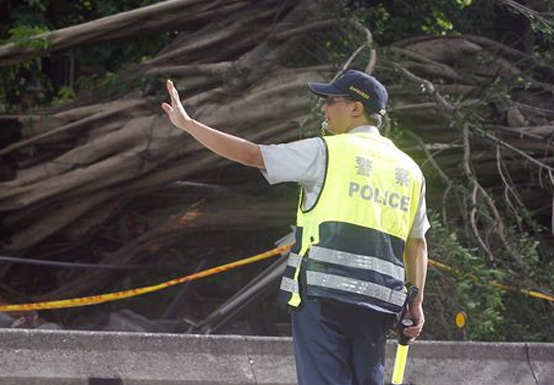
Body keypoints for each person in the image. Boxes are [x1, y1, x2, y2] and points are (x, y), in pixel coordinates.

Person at [161, 70, 428, 385]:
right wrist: (416, 302)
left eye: (331, 101)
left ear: (356, 108)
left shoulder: (327, 151)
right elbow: (417, 243)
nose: (324, 108)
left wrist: (188, 125)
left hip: (322, 296)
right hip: (380, 303)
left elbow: (252, 154)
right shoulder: (411, 171)